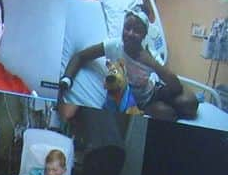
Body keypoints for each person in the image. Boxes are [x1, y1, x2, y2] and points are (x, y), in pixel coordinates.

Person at [61, 7, 198, 122]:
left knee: (190, 103)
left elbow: (176, 87)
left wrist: (151, 63)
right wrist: (67, 79)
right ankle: (150, 110)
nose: (130, 34)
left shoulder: (150, 55)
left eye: (137, 30)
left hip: (152, 92)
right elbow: (81, 56)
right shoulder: (114, 46)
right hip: (136, 102)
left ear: (144, 34)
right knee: (166, 113)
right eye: (127, 28)